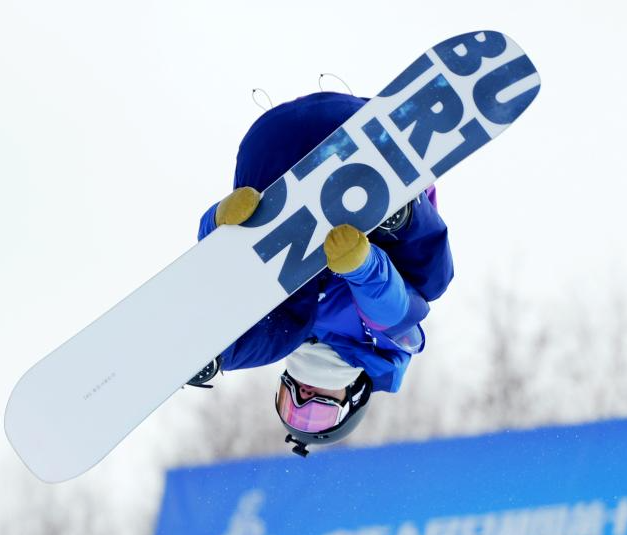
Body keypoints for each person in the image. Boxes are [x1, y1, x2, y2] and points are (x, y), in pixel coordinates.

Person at [187, 91, 454, 455]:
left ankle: (214, 350)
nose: (303, 397)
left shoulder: (282, 332)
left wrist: (217, 226)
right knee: (431, 285)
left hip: (272, 152)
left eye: (288, 403)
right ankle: (398, 214)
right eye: (319, 411)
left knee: (276, 314)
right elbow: (392, 306)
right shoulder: (383, 351)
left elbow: (220, 276)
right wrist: (362, 267)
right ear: (354, 395)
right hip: (367, 152)